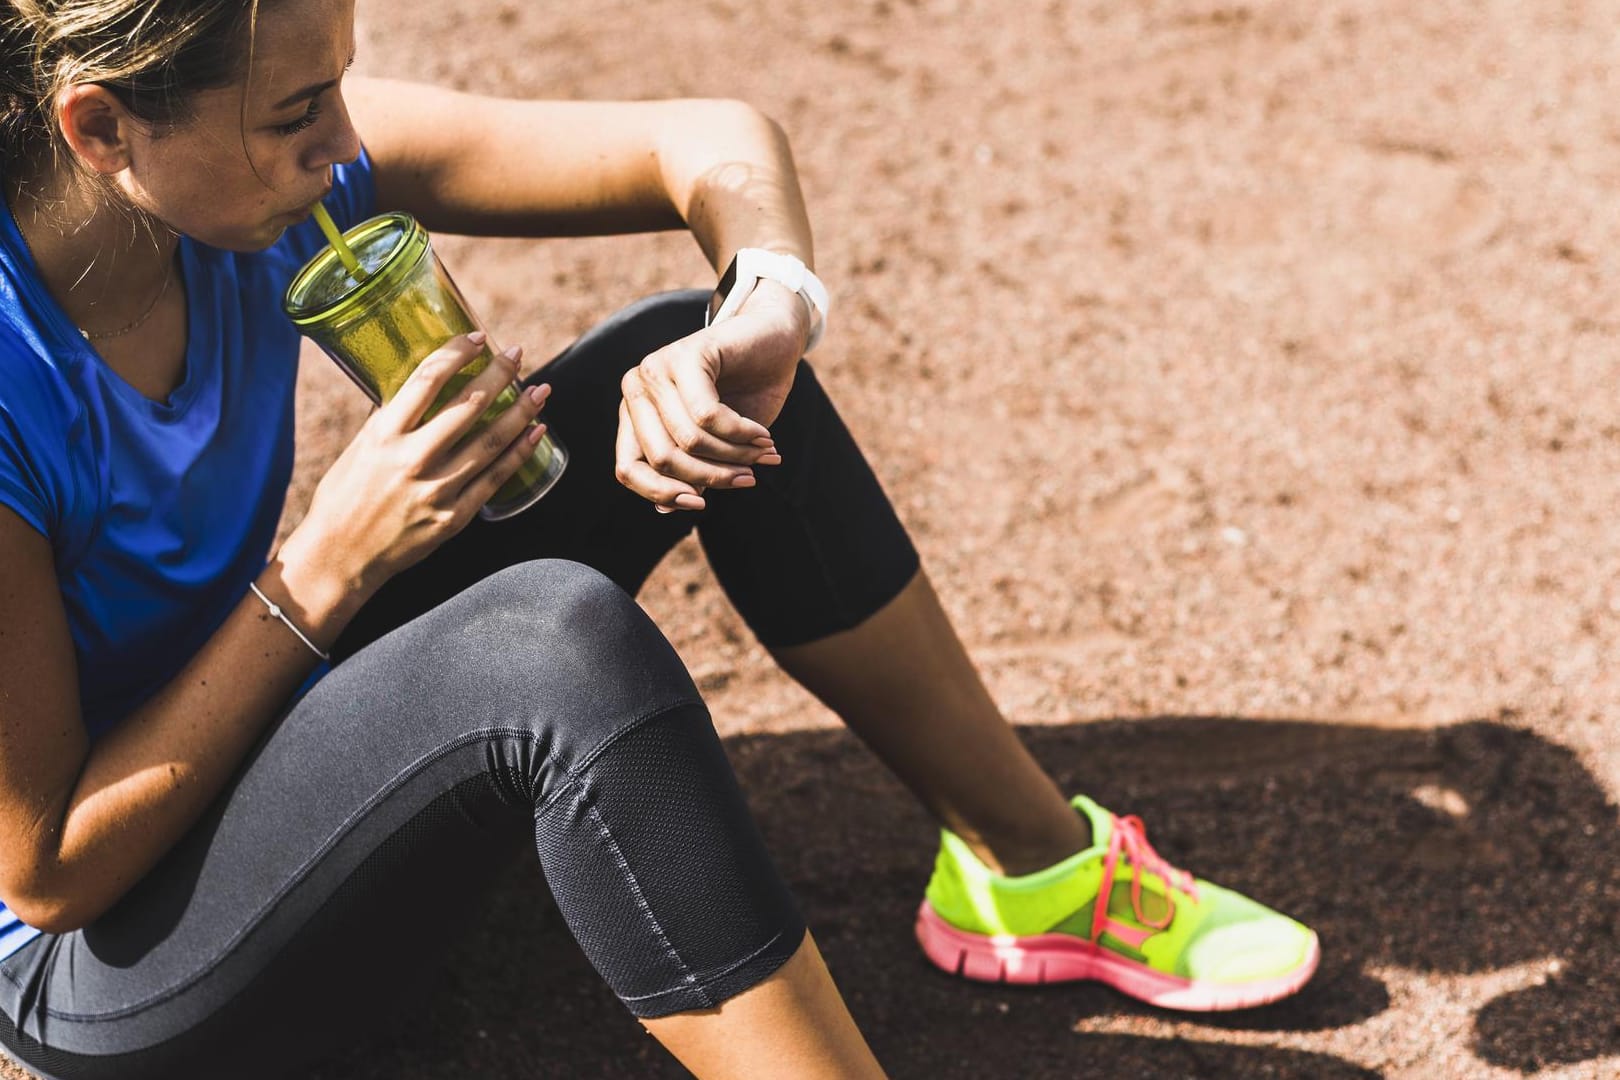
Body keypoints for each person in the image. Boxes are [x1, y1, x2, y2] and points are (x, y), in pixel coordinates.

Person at [0, 0, 1320, 1076]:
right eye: (300, 114)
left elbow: (707, 140)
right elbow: (48, 870)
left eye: (342, 85)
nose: (342, 141)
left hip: (273, 763)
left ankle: (1029, 870)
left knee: (695, 365)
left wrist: (769, 309)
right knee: (548, 650)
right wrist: (326, 568)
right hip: (114, 970)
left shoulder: (243, 168)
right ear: (102, 126)